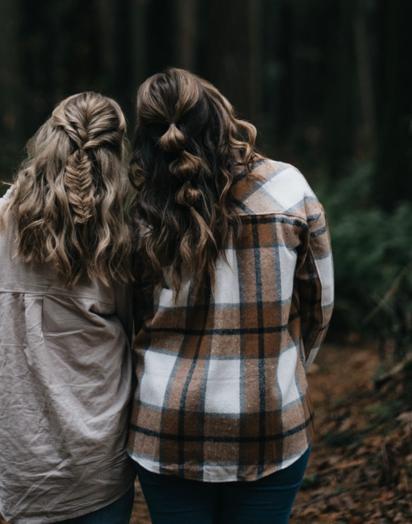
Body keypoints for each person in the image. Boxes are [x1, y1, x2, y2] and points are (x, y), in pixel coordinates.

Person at [127, 68, 334, 524]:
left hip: (166, 425)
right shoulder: (287, 189)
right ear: (218, 115)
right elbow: (320, 304)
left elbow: (128, 319)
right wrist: (281, 369)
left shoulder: (140, 210)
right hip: (269, 419)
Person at [0, 92, 135, 524]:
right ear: (116, 152)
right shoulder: (116, 236)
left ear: (48, 138)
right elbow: (138, 332)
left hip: (20, 453)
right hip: (98, 454)